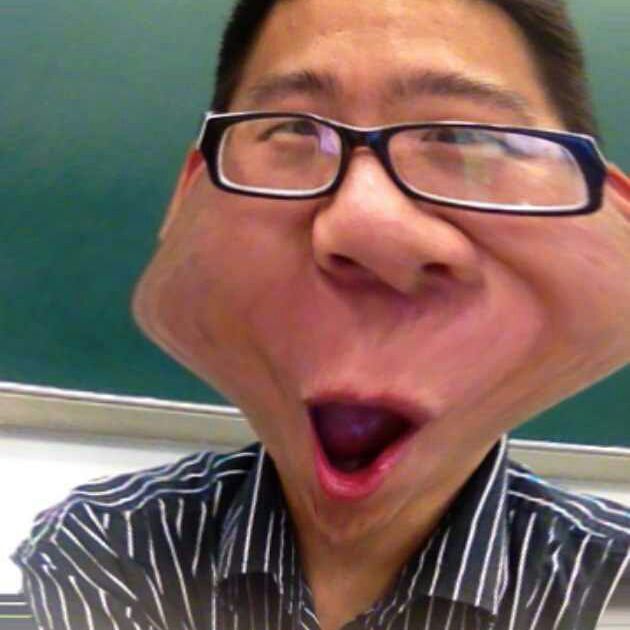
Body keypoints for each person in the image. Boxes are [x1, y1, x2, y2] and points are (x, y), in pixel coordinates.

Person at [13, 0, 630, 628]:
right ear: (190, 201)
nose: (364, 223)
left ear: (615, 227)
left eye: (463, 139)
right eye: (294, 130)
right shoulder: (106, 546)